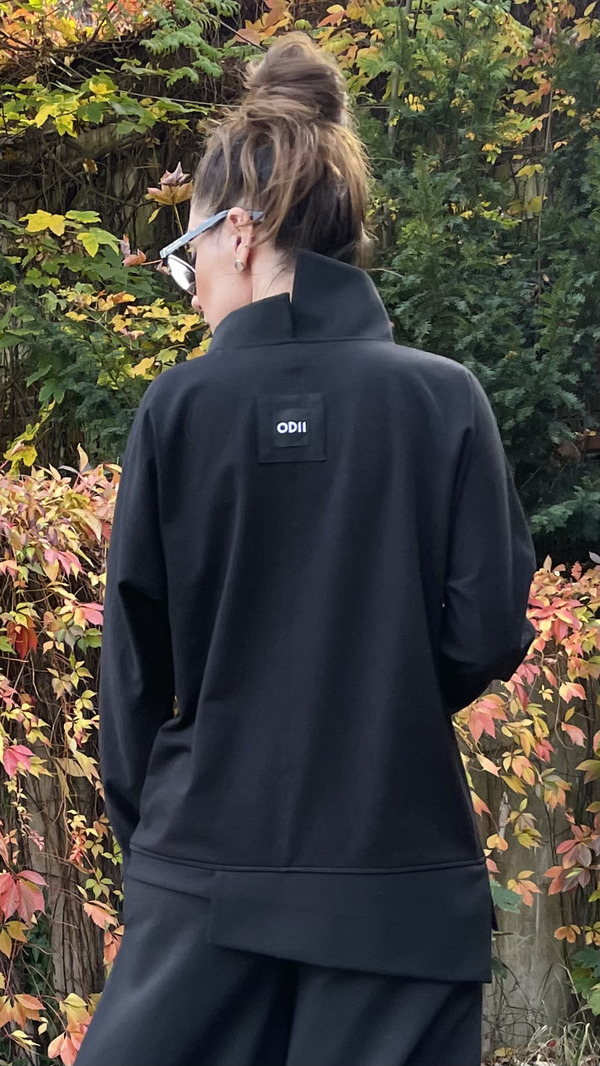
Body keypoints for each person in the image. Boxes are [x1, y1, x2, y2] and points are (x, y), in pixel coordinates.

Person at [74, 30, 537, 1066]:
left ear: (239, 233)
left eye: (187, 252)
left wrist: (166, 844)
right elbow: (486, 630)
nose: (189, 280)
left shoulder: (179, 409)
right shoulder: (445, 400)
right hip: (398, 887)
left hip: (204, 879)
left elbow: (133, 670)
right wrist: (375, 704)